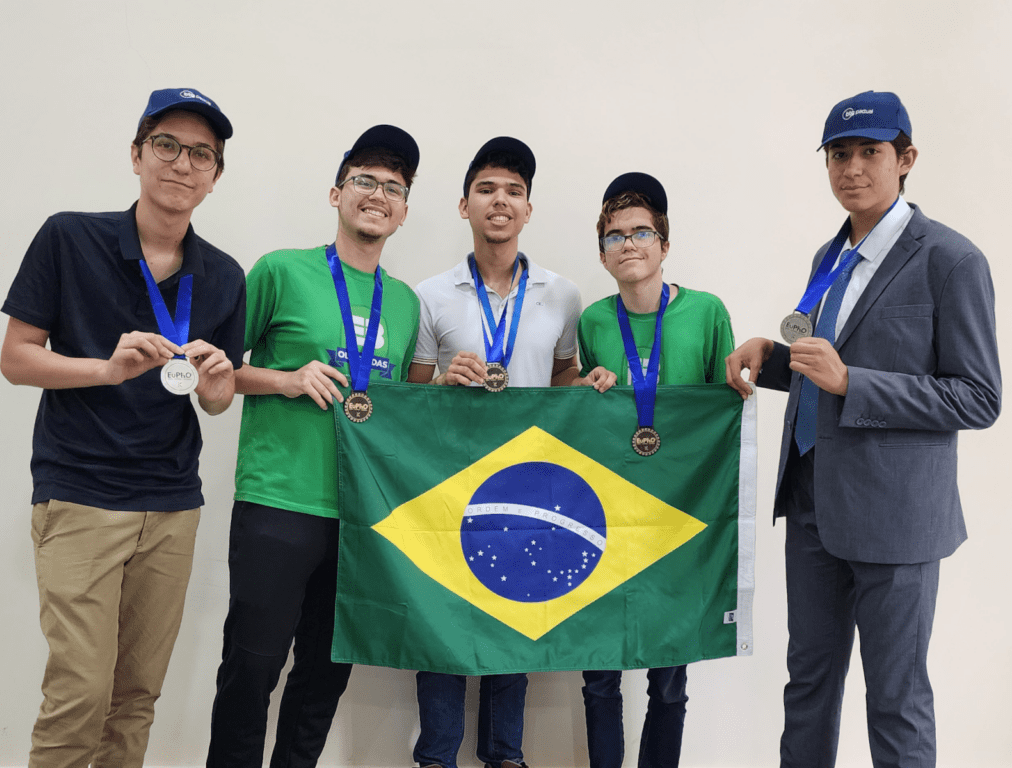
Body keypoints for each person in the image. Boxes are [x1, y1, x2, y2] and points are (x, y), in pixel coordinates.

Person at [725, 91, 1001, 768]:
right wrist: (775, 359)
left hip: (897, 519)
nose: (851, 168)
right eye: (838, 154)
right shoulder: (831, 253)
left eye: (869, 152)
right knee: (808, 689)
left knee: (896, 700)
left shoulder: (950, 260)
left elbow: (978, 398)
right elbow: (832, 360)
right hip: (814, 504)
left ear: (905, 159)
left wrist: (853, 383)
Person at [0, 88, 244, 768]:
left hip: (171, 504)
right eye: (166, 145)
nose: (182, 163)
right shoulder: (68, 237)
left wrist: (222, 389)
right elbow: (15, 360)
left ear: (215, 175)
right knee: (80, 692)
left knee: (136, 695)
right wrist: (106, 371)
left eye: (202, 154)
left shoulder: (224, 276)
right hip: (80, 493)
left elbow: (215, 401)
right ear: (136, 154)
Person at [206, 125, 421, 768]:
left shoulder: (406, 305)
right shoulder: (280, 271)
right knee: (251, 669)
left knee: (324, 679)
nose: (377, 194)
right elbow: (214, 370)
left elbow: (399, 409)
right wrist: (287, 379)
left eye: (393, 186)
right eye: (363, 180)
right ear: (336, 193)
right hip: (279, 503)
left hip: (359, 521)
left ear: (404, 210)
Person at [407, 136, 583, 768]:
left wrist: (586, 386)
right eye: (486, 189)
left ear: (529, 209)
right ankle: (435, 757)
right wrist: (443, 380)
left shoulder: (563, 295)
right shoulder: (430, 294)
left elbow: (562, 380)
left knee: (517, 619)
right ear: (464, 205)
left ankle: (505, 754)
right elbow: (412, 393)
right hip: (452, 485)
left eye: (513, 190)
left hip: (531, 485)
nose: (500, 201)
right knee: (446, 627)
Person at [573, 173, 735, 768]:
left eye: (642, 232)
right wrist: (583, 385)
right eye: (615, 237)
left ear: (664, 245)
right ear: (603, 254)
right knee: (598, 678)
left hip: (678, 523)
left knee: (669, 683)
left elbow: (725, 412)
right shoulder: (593, 322)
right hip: (603, 521)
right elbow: (573, 414)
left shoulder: (706, 313)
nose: (629, 244)